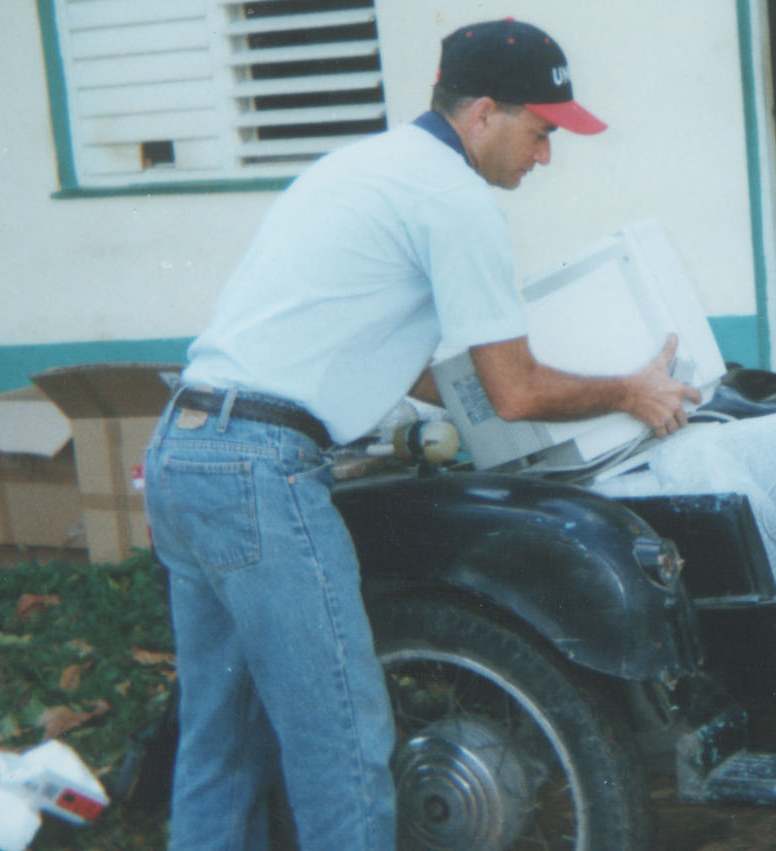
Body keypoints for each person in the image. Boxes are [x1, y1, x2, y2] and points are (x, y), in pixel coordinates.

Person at [141, 19, 698, 850]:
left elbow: (412, 365)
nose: (545, 156)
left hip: (186, 449)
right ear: (483, 114)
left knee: (221, 738)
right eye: (542, 132)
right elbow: (512, 390)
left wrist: (495, 420)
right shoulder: (455, 200)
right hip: (260, 469)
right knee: (343, 738)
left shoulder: (363, 168)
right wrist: (632, 390)